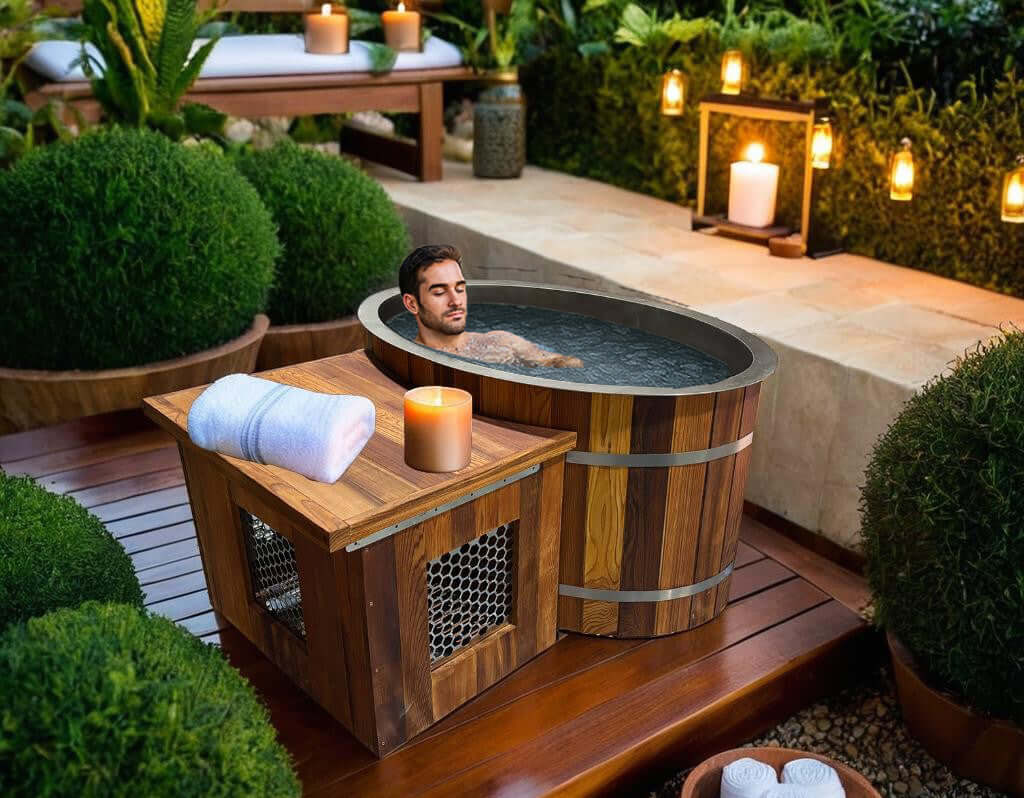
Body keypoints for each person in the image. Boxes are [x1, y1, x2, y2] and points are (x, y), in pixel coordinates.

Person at [398, 245, 583, 368]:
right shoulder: (408, 361)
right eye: (439, 292)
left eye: (460, 288)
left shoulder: (500, 342)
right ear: (412, 303)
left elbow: (563, 363)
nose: (456, 301)